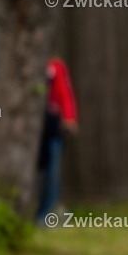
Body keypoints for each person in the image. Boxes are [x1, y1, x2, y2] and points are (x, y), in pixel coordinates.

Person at [36, 55, 78, 223]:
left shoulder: (55, 67)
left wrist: (69, 117)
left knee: (51, 172)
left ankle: (46, 213)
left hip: (51, 128)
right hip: (31, 130)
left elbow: (64, 93)